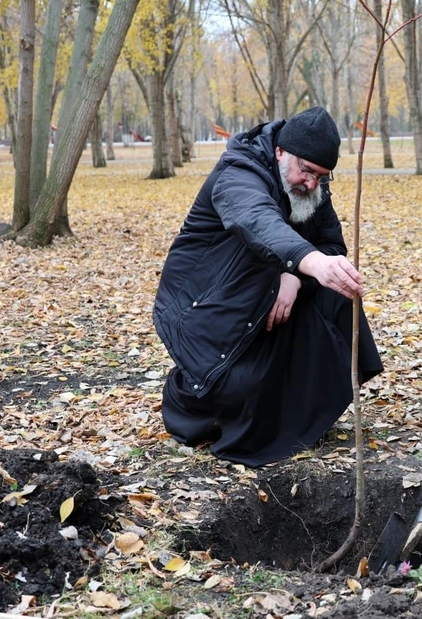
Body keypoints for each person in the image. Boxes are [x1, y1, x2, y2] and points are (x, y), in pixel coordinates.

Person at [153, 107, 383, 467]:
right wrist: (309, 262)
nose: (311, 184)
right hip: (206, 306)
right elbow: (258, 221)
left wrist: (294, 277)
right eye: (306, 171)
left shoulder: (311, 185)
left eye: (322, 177)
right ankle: (189, 397)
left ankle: (296, 418)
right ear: (280, 152)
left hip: (265, 295)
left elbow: (331, 243)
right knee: (240, 387)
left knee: (337, 295)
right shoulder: (239, 173)